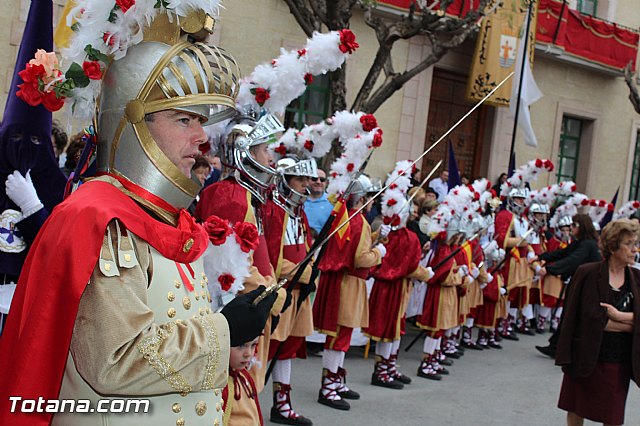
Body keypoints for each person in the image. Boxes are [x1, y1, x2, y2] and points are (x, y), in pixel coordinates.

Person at [0, 5, 278, 425]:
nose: (203, 137)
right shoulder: (99, 217)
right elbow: (113, 361)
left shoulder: (162, 217)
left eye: (201, 121)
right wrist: (225, 332)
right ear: (134, 125)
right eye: (184, 118)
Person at [0, 0, 66, 336]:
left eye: (37, 143)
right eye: (16, 138)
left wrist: (32, 206)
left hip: (28, 305)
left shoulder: (56, 186)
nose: (25, 149)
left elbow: (58, 253)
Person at [556, 219, 640, 426]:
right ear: (613, 245)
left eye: (635, 243)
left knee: (612, 417)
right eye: (629, 243)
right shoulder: (588, 273)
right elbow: (586, 320)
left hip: (617, 359)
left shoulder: (637, 278)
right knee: (576, 409)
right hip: (585, 355)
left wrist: (620, 317)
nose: (634, 249)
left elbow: (607, 321)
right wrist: (632, 324)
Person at [313, 175, 385, 410]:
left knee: (340, 336)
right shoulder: (360, 221)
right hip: (349, 283)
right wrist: (379, 252)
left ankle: (335, 380)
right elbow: (360, 258)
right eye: (370, 198)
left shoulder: (348, 218)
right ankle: (329, 386)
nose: (373, 203)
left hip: (343, 282)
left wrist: (373, 239)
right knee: (339, 337)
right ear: (362, 199)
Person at [264, 156, 316, 425]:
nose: (305, 185)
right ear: (284, 180)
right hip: (283, 290)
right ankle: (246, 403)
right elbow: (273, 258)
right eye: (299, 179)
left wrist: (311, 267)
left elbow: (304, 247)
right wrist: (304, 272)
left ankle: (281, 404)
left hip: (300, 290)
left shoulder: (300, 212)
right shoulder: (275, 211)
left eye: (307, 179)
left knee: (289, 347)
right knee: (268, 348)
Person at [535, 214, 602, 358]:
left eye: (574, 226)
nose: (571, 228)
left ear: (581, 227)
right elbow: (563, 253)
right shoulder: (581, 242)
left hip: (588, 287)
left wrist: (549, 269)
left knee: (574, 316)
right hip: (580, 283)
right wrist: (542, 257)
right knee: (568, 315)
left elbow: (572, 261)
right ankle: (557, 346)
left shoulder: (587, 244)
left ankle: (566, 348)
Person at [222, 337, 264, 426]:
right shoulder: (220, 384)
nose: (248, 353)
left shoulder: (244, 376)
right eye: (241, 345)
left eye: (253, 345)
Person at [304, 168, 333, 236]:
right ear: (308, 181)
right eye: (314, 179)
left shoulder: (332, 202)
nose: (318, 182)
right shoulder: (299, 200)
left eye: (322, 180)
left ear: (326, 183)